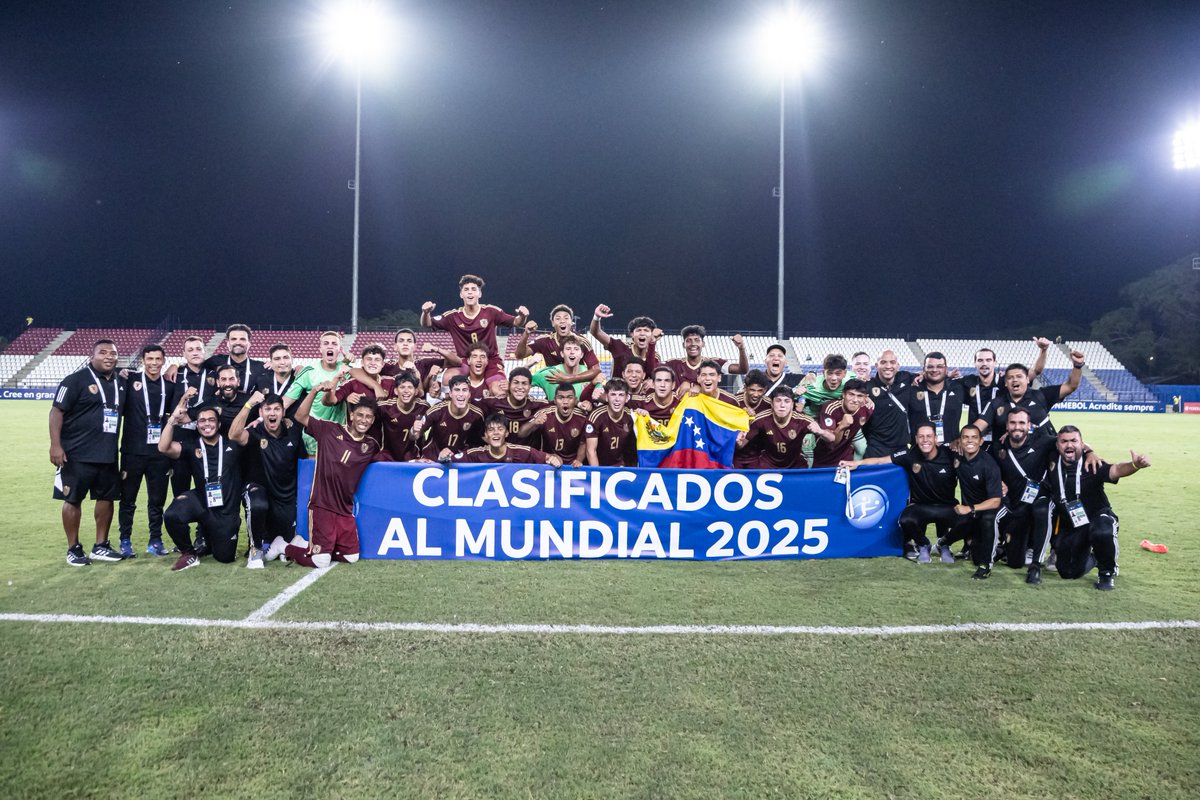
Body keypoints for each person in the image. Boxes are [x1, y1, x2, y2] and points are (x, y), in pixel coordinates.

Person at [264, 385, 388, 570]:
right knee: (320, 562)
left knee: (351, 556)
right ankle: (282, 546)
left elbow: (390, 457)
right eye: (360, 415)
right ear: (352, 416)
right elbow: (300, 417)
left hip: (345, 509)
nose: (364, 420)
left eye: (368, 417)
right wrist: (314, 392)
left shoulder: (370, 445)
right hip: (322, 505)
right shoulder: (329, 430)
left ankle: (307, 546)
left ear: (372, 421)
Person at [1042, 426, 1151, 591]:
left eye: (1074, 441)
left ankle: (1107, 571)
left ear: (1082, 443)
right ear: (1057, 445)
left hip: (1097, 517)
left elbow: (1116, 470)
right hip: (1073, 524)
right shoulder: (1051, 460)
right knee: (1068, 572)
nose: (1069, 445)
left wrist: (1134, 465)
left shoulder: (1091, 463)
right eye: (1064, 441)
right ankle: (1096, 557)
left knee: (1102, 531)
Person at [50, 339, 127, 566]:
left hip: (108, 454)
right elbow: (56, 412)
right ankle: (73, 548)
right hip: (76, 454)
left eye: (113, 353)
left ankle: (100, 546)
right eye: (102, 353)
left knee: (106, 498)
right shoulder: (75, 380)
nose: (108, 357)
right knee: (72, 500)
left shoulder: (121, 381)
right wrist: (55, 445)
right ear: (92, 356)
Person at [847, 422, 959, 563]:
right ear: (916, 439)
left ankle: (944, 544)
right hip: (921, 505)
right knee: (905, 520)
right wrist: (857, 463)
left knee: (967, 520)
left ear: (936, 439)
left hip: (947, 506)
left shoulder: (950, 455)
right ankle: (924, 544)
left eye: (929, 436)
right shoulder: (909, 454)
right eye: (921, 437)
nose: (925, 440)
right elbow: (881, 461)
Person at [158, 396, 245, 570]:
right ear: (197, 425)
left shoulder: (233, 445)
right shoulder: (192, 445)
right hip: (201, 503)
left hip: (226, 511)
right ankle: (189, 552)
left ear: (219, 424)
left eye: (211, 420)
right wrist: (172, 420)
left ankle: (212, 536)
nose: (207, 424)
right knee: (171, 515)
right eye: (202, 421)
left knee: (225, 557)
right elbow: (163, 448)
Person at [229, 391, 306, 569]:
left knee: (285, 543)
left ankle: (273, 546)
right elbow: (233, 435)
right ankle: (255, 549)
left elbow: (302, 464)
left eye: (277, 409)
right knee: (258, 504)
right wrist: (248, 404)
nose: (272, 413)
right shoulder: (254, 432)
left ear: (283, 413)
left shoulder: (293, 434)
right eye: (268, 409)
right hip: (258, 490)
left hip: (285, 496)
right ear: (261, 413)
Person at [421, 274, 528, 388]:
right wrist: (426, 312)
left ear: (480, 293)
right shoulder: (452, 317)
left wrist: (523, 316)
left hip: (490, 359)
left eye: (474, 289)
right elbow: (427, 324)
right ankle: (450, 404)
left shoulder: (491, 311)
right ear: (461, 294)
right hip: (465, 361)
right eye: (466, 290)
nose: (470, 292)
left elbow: (517, 322)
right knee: (448, 379)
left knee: (499, 389)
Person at [118, 344, 175, 557]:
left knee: (157, 500)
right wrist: (118, 371)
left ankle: (155, 540)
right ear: (143, 360)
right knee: (128, 500)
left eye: (157, 359)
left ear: (163, 360)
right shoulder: (130, 380)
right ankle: (125, 540)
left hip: (159, 454)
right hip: (132, 452)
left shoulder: (169, 386)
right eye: (149, 359)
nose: (153, 363)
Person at [980, 347, 1086, 438]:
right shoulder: (996, 403)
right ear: (1006, 383)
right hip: (1009, 458)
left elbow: (1070, 386)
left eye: (1019, 376)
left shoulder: (1042, 395)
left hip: (1044, 458)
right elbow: (978, 426)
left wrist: (1077, 366)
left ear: (1027, 379)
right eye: (1010, 378)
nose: (1015, 380)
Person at [944, 425, 1003, 579]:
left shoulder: (988, 465)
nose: (970, 441)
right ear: (960, 441)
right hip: (973, 512)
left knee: (988, 520)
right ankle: (943, 543)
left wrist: (969, 508)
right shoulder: (957, 457)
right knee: (974, 555)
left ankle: (987, 565)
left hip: (992, 509)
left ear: (981, 441)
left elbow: (996, 501)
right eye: (965, 437)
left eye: (974, 437)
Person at [284, 331, 349, 454]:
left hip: (340, 434)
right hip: (314, 433)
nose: (330, 346)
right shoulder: (309, 371)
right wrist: (261, 420)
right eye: (326, 343)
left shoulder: (347, 370)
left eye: (334, 344)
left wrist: (348, 361)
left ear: (339, 349)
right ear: (320, 349)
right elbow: (285, 401)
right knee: (314, 471)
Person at [738, 387, 829, 470]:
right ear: (772, 404)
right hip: (768, 464)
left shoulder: (803, 420)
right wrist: (738, 440)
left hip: (795, 465)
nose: (782, 405)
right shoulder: (760, 419)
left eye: (787, 401)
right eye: (778, 401)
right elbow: (740, 444)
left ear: (792, 404)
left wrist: (821, 432)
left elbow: (832, 439)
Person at [514, 304, 602, 387]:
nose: (562, 321)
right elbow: (519, 355)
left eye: (566, 318)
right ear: (552, 323)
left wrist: (569, 379)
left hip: (577, 386)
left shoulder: (582, 341)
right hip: (554, 388)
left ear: (571, 322)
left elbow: (596, 369)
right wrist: (526, 333)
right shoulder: (545, 341)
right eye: (558, 318)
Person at [324, 343, 392, 443]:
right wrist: (344, 393)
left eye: (377, 360)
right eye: (369, 359)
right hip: (353, 443)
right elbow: (329, 401)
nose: (373, 363)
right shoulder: (352, 384)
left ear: (382, 364)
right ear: (362, 363)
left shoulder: (391, 383)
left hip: (381, 444)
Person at [862, 350, 920, 458]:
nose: (888, 366)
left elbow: (928, 376)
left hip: (901, 447)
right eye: (883, 362)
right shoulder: (867, 386)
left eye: (892, 362)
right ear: (876, 365)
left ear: (898, 366)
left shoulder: (906, 378)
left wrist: (948, 374)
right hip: (876, 448)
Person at [517, 383, 589, 467]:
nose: (565, 402)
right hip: (550, 464)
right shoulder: (545, 414)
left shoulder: (582, 417)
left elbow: (583, 443)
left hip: (573, 466)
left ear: (575, 400)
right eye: (561, 398)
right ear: (554, 400)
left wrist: (578, 460)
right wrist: (533, 422)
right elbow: (521, 434)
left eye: (569, 398)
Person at [589, 306, 660, 387]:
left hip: (640, 398)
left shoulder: (655, 357)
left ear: (652, 335)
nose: (642, 333)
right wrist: (597, 317)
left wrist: (652, 380)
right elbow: (596, 332)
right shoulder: (620, 347)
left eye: (646, 330)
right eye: (638, 330)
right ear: (632, 335)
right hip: (616, 396)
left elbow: (653, 375)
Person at [810, 379, 873, 468]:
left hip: (845, 458)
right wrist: (842, 427)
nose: (855, 400)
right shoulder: (830, 408)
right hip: (823, 458)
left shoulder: (867, 409)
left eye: (860, 396)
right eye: (851, 394)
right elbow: (833, 442)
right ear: (843, 394)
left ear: (865, 398)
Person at [906, 352, 965, 446]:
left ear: (946, 369)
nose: (934, 370)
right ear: (923, 369)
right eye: (930, 366)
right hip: (919, 451)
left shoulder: (958, 388)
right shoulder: (912, 390)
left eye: (939, 366)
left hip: (951, 451)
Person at [666, 326, 748, 393]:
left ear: (703, 344)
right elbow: (653, 371)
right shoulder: (673, 364)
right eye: (689, 341)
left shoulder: (714, 363)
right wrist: (652, 343)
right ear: (684, 345)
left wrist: (741, 348)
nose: (693, 344)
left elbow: (742, 370)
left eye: (697, 340)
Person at [421, 375, 485, 460]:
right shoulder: (437, 411)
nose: (461, 394)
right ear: (450, 394)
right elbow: (415, 435)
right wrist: (414, 430)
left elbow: (479, 443)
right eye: (457, 390)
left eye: (464, 390)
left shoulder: (477, 415)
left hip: (461, 461)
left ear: (469, 394)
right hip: (432, 459)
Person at [457, 414, 564, 466]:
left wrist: (556, 460)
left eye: (500, 429)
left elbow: (553, 458)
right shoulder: (475, 454)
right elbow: (450, 461)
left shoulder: (523, 452)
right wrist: (445, 456)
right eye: (491, 430)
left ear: (507, 433)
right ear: (486, 435)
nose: (496, 432)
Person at [481, 366, 549, 446]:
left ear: (530, 387)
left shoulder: (539, 405)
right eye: (516, 382)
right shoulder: (492, 403)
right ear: (509, 385)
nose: (520, 387)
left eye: (524, 383)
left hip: (528, 457)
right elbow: (478, 431)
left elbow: (561, 402)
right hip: (501, 456)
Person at [378, 371, 430, 462]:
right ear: (396, 391)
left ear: (416, 391)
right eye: (402, 387)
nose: (406, 391)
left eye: (410, 387)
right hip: (388, 456)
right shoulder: (384, 407)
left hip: (414, 457)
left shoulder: (424, 407)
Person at [585, 378, 637, 467]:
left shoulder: (631, 417)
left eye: (621, 395)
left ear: (627, 398)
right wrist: (598, 474)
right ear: (606, 397)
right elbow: (590, 451)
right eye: (613, 394)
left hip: (621, 467)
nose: (617, 399)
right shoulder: (596, 416)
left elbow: (633, 450)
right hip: (600, 466)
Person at [531, 336, 597, 404]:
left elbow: (601, 395)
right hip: (554, 413)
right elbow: (523, 382)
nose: (572, 352)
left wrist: (590, 403)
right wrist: (539, 404)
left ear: (582, 355)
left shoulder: (589, 374)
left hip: (582, 414)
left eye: (576, 349)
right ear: (562, 354)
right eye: (568, 349)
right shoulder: (550, 373)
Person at [203, 323, 265, 394]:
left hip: (248, 404)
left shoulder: (260, 367)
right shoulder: (215, 361)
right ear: (228, 343)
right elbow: (196, 369)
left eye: (242, 339)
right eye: (233, 339)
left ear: (249, 344)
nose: (238, 342)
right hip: (220, 405)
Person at [251, 343, 299, 414]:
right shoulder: (262, 380)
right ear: (271, 362)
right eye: (277, 359)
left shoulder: (300, 379)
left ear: (292, 360)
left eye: (286, 357)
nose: (282, 362)